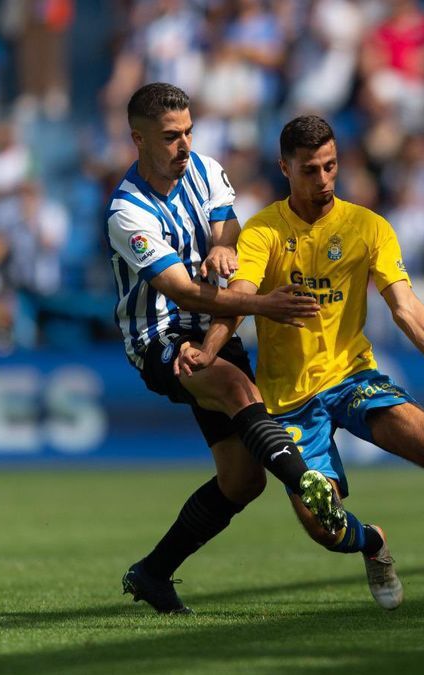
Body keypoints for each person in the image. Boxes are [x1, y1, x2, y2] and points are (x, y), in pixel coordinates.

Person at [189, 115, 424, 613]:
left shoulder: (367, 226)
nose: (324, 179)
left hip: (352, 378)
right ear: (285, 167)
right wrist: (208, 348)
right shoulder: (263, 230)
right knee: (324, 524)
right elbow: (239, 297)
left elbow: (406, 307)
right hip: (288, 401)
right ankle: (372, 543)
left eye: (331, 166)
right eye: (311, 169)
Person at [107, 83, 346, 615]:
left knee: (242, 480)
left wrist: (222, 243)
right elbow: (178, 289)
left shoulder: (206, 169)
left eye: (188, 131)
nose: (184, 144)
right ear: (138, 139)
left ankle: (152, 573)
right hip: (160, 337)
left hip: (215, 324)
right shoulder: (127, 213)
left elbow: (228, 225)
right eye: (171, 136)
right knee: (237, 387)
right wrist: (262, 304)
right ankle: (306, 480)